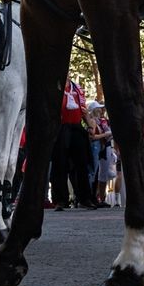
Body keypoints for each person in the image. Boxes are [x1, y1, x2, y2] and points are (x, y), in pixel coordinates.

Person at [51, 78, 96, 210]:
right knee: (60, 165)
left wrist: (90, 126)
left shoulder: (76, 88)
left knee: (81, 164)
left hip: (76, 128)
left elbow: (84, 110)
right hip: (61, 128)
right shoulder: (55, 86)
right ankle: (60, 200)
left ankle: (84, 198)